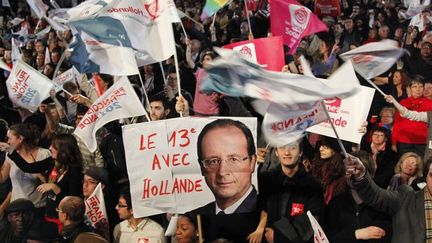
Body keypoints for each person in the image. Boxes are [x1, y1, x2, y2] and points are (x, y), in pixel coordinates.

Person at [344, 153, 432, 243]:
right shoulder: (406, 198)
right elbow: (376, 195)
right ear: (426, 176)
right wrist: (361, 175)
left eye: (413, 163)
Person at [257, 139, 324, 243]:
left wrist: (278, 236)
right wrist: (251, 164)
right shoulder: (266, 180)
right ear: (276, 152)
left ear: (300, 152)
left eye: (292, 148)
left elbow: (312, 222)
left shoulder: (313, 186)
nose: (287, 152)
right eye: (282, 147)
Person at [192, 119, 257, 215]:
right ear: (201, 167)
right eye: (213, 161)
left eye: (233, 159)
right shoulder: (194, 217)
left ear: (252, 162)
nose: (222, 172)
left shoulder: (268, 211)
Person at [325, 151, 392, 243]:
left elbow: (381, 236)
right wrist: (356, 234)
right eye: (349, 171)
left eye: (358, 171)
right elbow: (327, 238)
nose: (353, 175)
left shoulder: (382, 204)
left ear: (369, 174)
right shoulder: (336, 203)